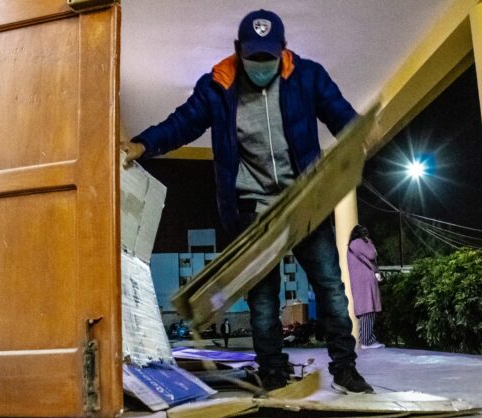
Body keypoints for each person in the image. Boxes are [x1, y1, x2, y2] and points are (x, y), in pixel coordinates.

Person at [121, 10, 373, 394]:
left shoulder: (307, 77)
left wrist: (359, 133)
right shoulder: (218, 87)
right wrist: (142, 144)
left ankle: (346, 370)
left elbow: (339, 112)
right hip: (252, 209)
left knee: (330, 288)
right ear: (238, 51)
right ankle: (272, 375)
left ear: (283, 52)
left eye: (268, 59)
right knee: (263, 300)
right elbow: (183, 123)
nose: (261, 67)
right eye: (253, 59)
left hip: (304, 199)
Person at [347, 225, 385, 349]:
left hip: (361, 282)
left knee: (367, 311)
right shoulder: (359, 243)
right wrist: (369, 242)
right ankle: (367, 341)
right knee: (367, 311)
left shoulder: (353, 244)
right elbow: (372, 254)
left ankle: (367, 339)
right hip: (364, 282)